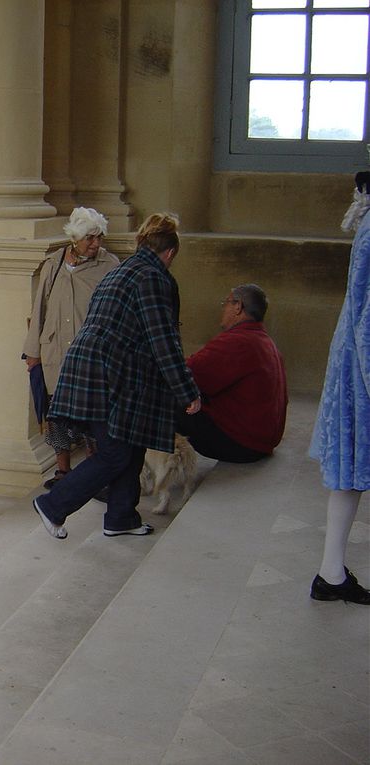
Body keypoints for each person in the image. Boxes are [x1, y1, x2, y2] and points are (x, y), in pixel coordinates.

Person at [33, 213, 201, 540]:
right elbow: (163, 338)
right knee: (116, 454)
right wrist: (187, 390)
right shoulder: (153, 277)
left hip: (99, 372)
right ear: (169, 253)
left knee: (133, 444)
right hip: (108, 377)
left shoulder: (121, 270)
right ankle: (54, 505)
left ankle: (121, 516)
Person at [22, 207, 120, 488]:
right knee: (56, 415)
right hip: (54, 351)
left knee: (92, 416)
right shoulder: (54, 264)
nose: (96, 244)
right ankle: (62, 470)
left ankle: (95, 470)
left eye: (99, 237)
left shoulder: (109, 265)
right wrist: (33, 352)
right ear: (75, 238)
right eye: (90, 238)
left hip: (89, 355)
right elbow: (39, 308)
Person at [308, 190, 370, 605]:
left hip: (354, 359)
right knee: (351, 469)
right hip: (361, 364)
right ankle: (330, 572)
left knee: (350, 472)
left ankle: (331, 571)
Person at [176, 284, 288, 462]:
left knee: (159, 396)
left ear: (238, 306)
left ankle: (151, 470)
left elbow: (186, 374)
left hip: (243, 444)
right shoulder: (263, 340)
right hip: (262, 441)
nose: (223, 308)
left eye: (226, 303)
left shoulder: (239, 341)